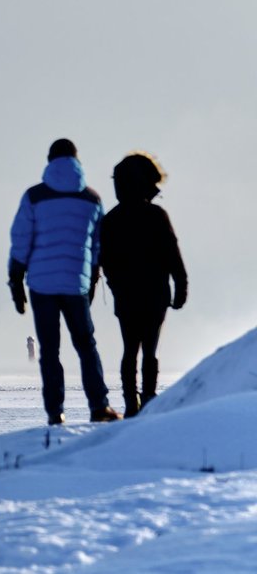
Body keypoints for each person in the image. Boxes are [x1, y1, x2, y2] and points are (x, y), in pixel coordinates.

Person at [9, 139, 121, 425]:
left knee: (50, 350)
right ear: (77, 161)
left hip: (42, 285)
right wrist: (93, 280)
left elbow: (21, 241)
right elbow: (98, 247)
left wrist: (16, 281)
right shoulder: (92, 199)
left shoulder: (34, 197)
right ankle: (99, 406)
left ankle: (55, 413)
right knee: (86, 345)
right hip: (76, 284)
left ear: (49, 161)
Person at [100, 153, 187, 417]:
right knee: (150, 349)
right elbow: (173, 254)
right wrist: (181, 285)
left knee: (130, 350)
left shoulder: (111, 220)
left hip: (126, 296)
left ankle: (130, 403)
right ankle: (148, 398)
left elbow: (105, 261)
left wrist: (115, 285)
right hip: (155, 294)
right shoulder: (157, 215)